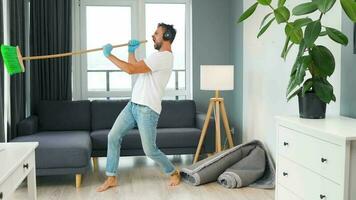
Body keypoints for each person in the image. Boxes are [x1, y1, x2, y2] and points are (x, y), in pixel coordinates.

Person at [96, 23, 180, 192]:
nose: (153, 36)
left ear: (167, 37)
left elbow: (130, 69)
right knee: (113, 136)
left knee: (150, 150)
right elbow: (135, 66)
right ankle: (111, 177)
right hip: (133, 105)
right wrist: (130, 51)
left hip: (147, 110)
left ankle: (173, 172)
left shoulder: (164, 57)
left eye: (157, 33)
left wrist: (109, 55)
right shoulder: (157, 57)